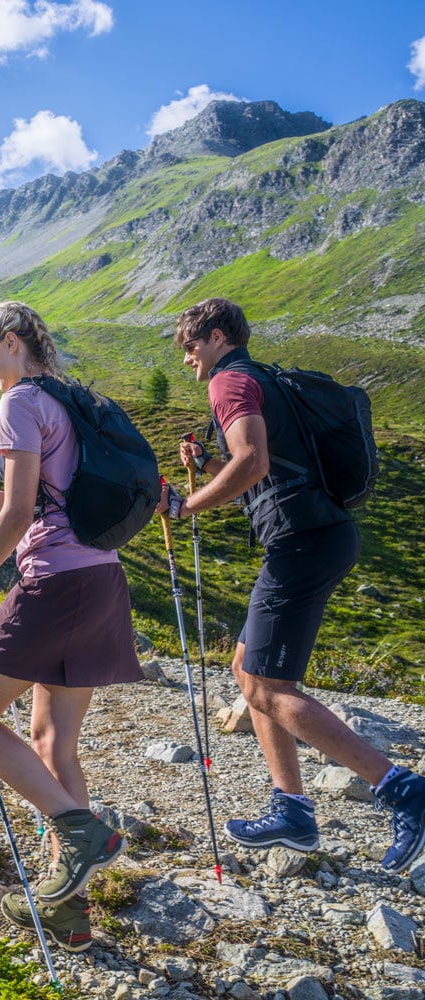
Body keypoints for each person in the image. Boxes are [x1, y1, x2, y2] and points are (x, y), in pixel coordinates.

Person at [159, 296, 425, 873]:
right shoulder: (262, 379)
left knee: (267, 686)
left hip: (303, 542)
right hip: (318, 533)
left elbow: (251, 462)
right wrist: (207, 467)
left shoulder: (228, 382)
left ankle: (403, 789)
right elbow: (270, 468)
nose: (187, 360)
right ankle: (293, 810)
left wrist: (184, 507)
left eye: (190, 345)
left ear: (218, 336)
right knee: (246, 671)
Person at [0, 300, 144, 951]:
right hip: (103, 581)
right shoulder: (73, 397)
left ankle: (82, 830)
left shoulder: (19, 400)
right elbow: (54, 492)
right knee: (53, 744)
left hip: (55, 586)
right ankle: (67, 909)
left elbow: (21, 514)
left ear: (13, 342)